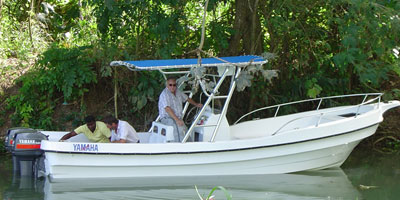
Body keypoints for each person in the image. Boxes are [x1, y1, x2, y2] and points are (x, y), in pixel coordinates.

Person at [158, 77, 203, 142]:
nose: (172, 87)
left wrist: (196, 104)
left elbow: (187, 98)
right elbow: (167, 108)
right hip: (167, 118)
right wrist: (177, 120)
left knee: (185, 130)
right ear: (167, 85)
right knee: (178, 129)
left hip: (177, 117)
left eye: (174, 85)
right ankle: (178, 147)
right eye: (170, 85)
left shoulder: (178, 92)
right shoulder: (164, 94)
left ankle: (191, 145)